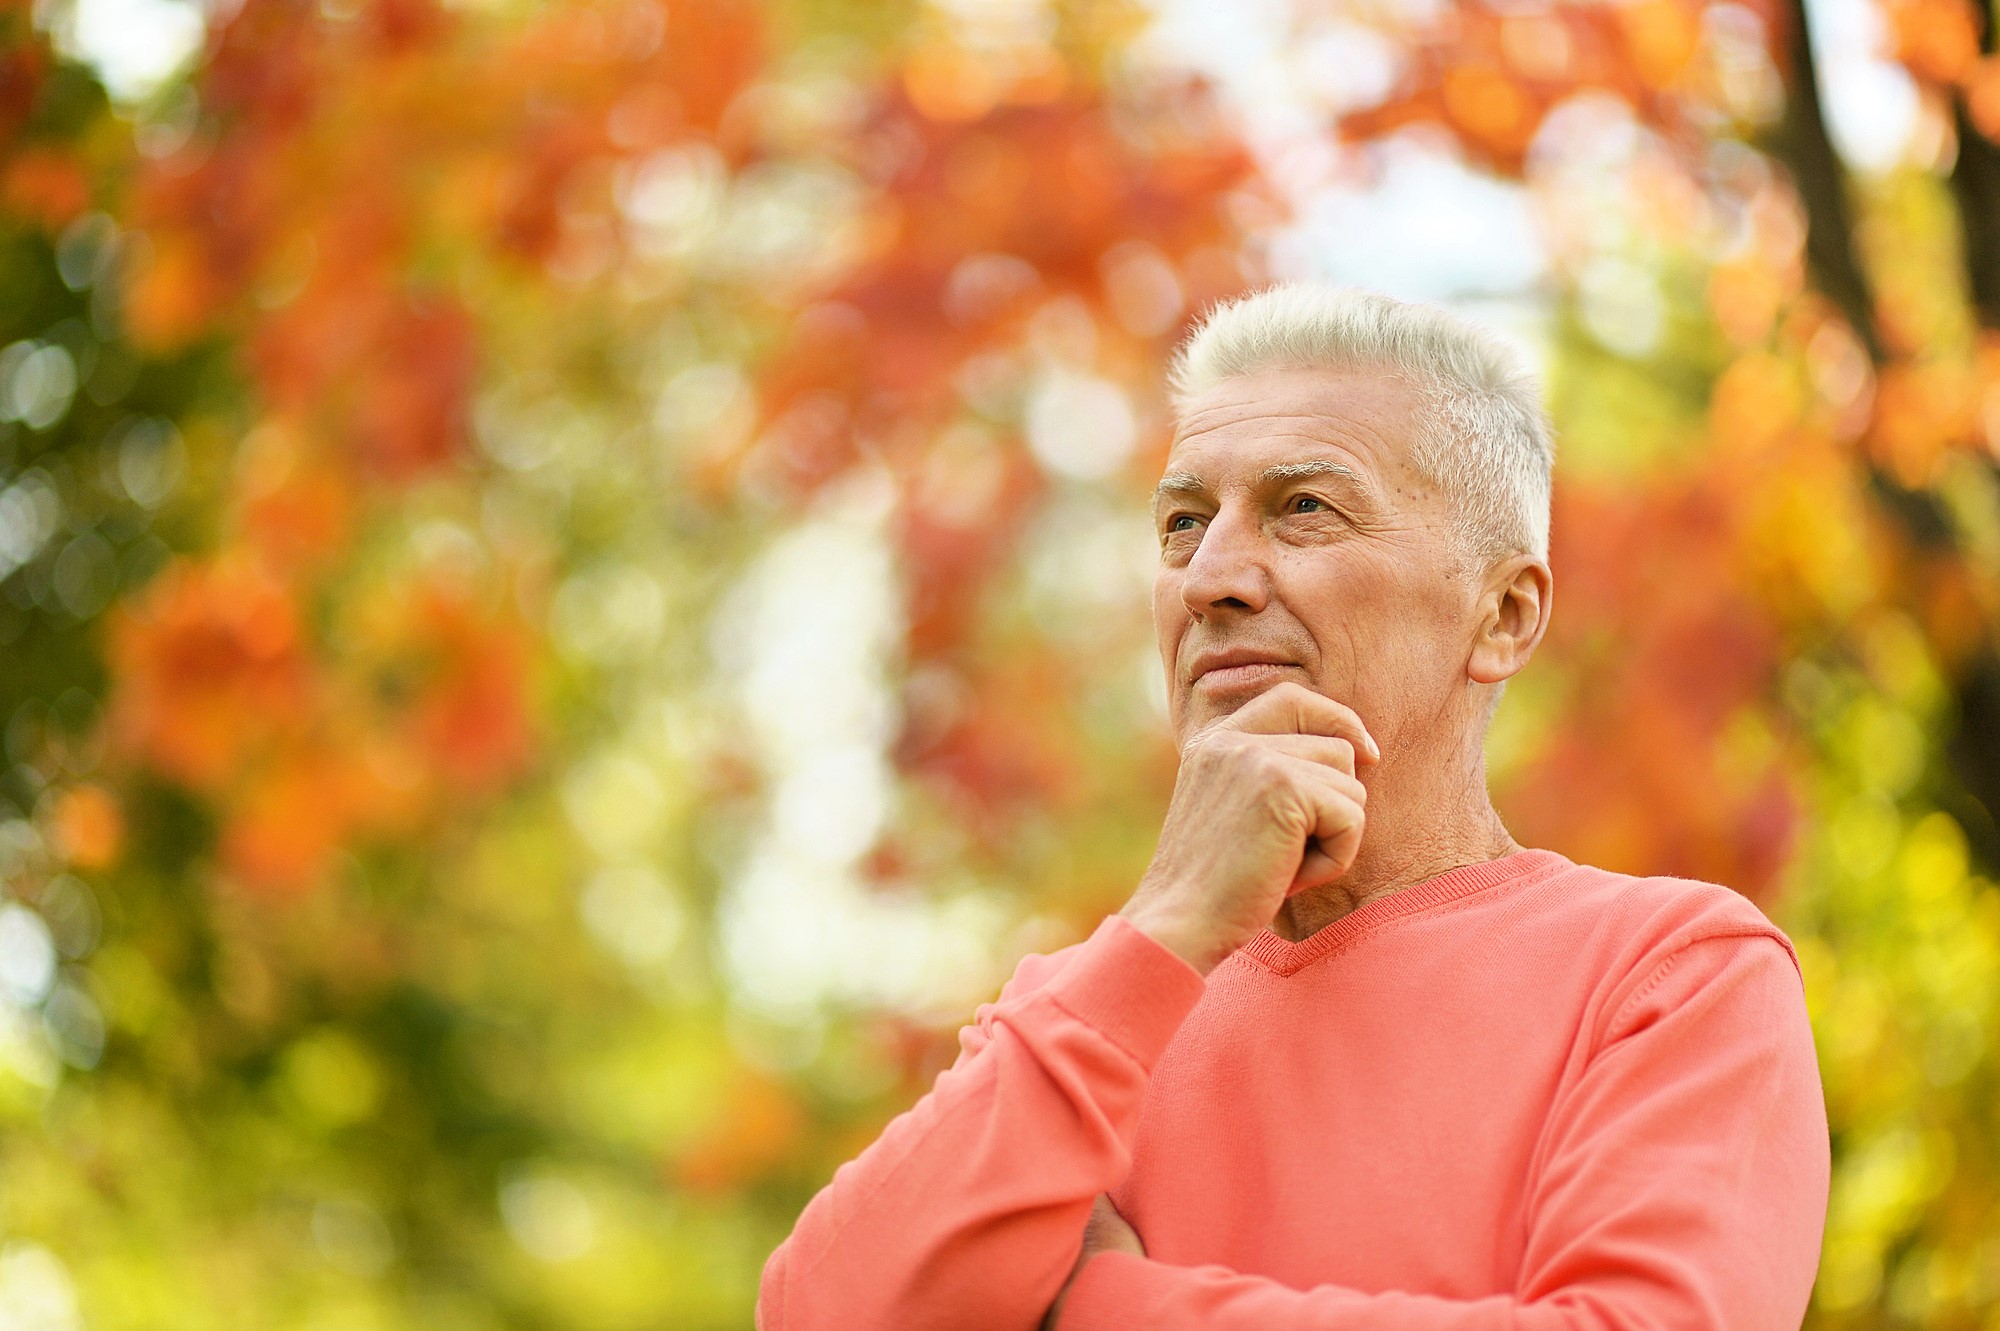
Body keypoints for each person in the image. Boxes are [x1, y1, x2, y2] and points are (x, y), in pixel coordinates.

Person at [754, 284, 1830, 1330]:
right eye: (1181, 522)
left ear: (1502, 613)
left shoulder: (1672, 975)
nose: (1209, 575)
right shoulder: (1098, 1000)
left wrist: (1099, 1306)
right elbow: (815, 1310)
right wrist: (1169, 922)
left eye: (1301, 507)